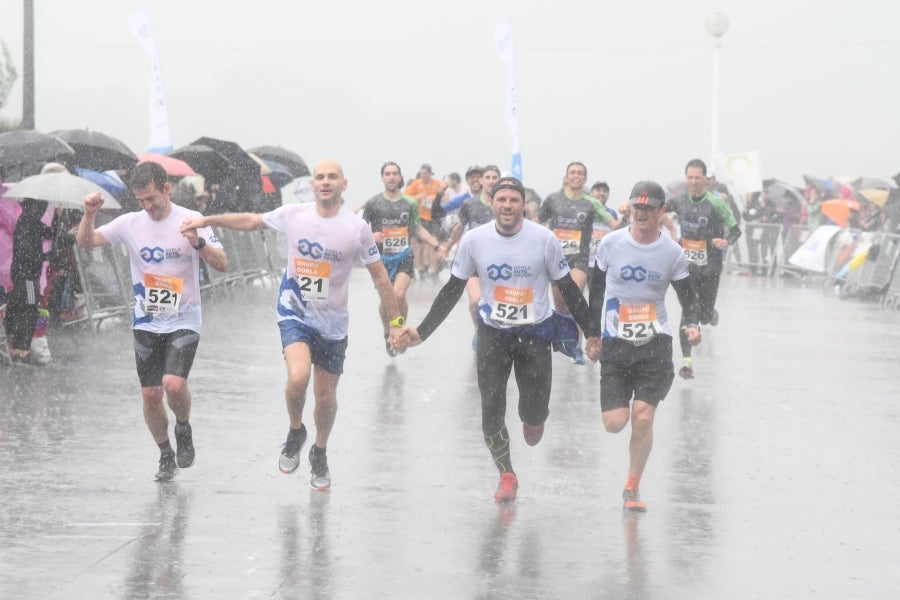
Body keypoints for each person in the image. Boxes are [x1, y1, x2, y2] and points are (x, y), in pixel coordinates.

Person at [180, 160, 405, 491]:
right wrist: (207, 220)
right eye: (319, 177)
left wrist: (396, 324)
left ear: (344, 184)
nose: (325, 182)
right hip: (294, 310)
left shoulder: (356, 229)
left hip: (333, 322)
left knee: (325, 399)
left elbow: (380, 277)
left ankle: (320, 451)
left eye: (332, 177)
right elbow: (252, 221)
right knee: (298, 376)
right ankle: (296, 429)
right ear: (312, 185)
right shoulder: (294, 215)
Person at [398, 176, 600, 503]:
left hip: (535, 335)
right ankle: (506, 473)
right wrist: (421, 332)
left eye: (513, 200)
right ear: (492, 203)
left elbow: (568, 289)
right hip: (493, 334)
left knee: (534, 416)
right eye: (501, 200)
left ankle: (533, 421)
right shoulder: (475, 241)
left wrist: (591, 331)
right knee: (491, 408)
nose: (507, 206)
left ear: (523, 205)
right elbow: (452, 289)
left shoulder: (544, 239)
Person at [76, 161, 228, 481]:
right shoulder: (130, 223)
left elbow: (223, 263)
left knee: (174, 383)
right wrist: (89, 215)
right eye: (141, 200)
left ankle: (183, 427)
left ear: (166, 188)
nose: (148, 207)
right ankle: (165, 453)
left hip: (184, 316)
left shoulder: (191, 220)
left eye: (153, 200)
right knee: (150, 394)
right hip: (147, 319)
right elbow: (86, 243)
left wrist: (198, 243)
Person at [587, 180, 701, 512]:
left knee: (643, 417)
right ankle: (631, 478)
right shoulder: (611, 244)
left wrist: (691, 324)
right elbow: (595, 293)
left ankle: (632, 487)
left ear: (661, 211)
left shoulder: (672, 252)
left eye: (649, 209)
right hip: (616, 341)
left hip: (656, 341)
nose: (642, 213)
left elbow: (688, 298)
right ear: (631, 207)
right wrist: (592, 334)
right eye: (637, 207)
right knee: (615, 423)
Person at [664, 159, 741, 379]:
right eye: (690, 177)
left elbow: (736, 229)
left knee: (704, 314)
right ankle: (686, 362)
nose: (693, 182)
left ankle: (710, 314)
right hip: (686, 268)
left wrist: (726, 241)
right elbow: (657, 208)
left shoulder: (716, 204)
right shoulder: (679, 201)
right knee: (689, 310)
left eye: (697, 178)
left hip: (710, 267)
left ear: (705, 180)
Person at [538, 162, 618, 365]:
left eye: (580, 173)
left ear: (585, 178)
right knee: (561, 305)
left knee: (576, 296)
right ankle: (567, 336)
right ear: (566, 177)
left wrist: (626, 214)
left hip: (579, 260)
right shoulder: (553, 200)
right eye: (572, 172)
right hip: (556, 260)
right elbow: (537, 224)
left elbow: (614, 225)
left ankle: (579, 346)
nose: (576, 176)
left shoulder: (591, 203)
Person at [360, 161, 442, 357]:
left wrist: (436, 244)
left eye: (394, 173)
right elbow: (360, 230)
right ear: (382, 178)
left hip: (404, 255)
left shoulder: (410, 202)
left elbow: (417, 229)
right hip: (380, 259)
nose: (391, 177)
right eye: (387, 174)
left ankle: (400, 329)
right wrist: (371, 237)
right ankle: (388, 332)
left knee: (398, 295)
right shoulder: (373, 203)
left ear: (399, 177)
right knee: (386, 299)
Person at [439, 165, 501, 350]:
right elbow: (459, 227)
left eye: (494, 177)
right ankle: (478, 331)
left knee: (497, 303)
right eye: (487, 177)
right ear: (481, 181)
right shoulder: (469, 204)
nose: (491, 180)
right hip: (474, 261)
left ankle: (499, 334)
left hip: (499, 263)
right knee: (475, 300)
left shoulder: (504, 203)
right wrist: (447, 247)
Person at [5, 194, 55, 366]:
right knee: (28, 310)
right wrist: (47, 255)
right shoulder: (27, 224)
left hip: (25, 275)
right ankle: (22, 351)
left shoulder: (30, 222)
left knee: (24, 309)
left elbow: (50, 232)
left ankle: (19, 349)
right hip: (26, 277)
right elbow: (29, 256)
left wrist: (60, 218)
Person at [404, 163, 446, 279]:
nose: (423, 176)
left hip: (433, 217)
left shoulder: (437, 183)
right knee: (421, 246)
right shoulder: (416, 184)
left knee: (433, 243)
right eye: (421, 173)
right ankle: (421, 268)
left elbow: (445, 196)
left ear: (430, 173)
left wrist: (437, 197)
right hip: (421, 217)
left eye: (425, 173)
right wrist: (418, 197)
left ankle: (433, 269)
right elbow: (405, 197)